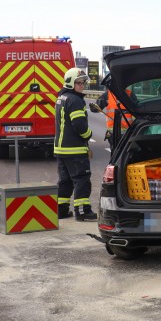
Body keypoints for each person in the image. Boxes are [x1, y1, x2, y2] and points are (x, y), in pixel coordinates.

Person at [54, 68, 97, 221]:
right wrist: (89, 135)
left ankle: (61, 210)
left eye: (83, 82)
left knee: (65, 181)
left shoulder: (62, 97)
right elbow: (79, 125)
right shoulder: (76, 100)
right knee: (82, 179)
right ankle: (83, 211)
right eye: (79, 82)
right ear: (71, 83)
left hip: (61, 149)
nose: (82, 85)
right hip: (74, 149)